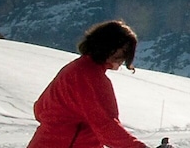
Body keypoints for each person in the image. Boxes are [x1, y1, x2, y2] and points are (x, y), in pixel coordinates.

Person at [27, 20, 150, 148]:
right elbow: (106, 126)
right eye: (123, 51)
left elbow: (40, 108)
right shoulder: (91, 77)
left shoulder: (75, 68)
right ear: (108, 46)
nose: (124, 58)